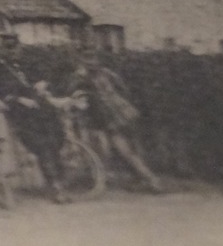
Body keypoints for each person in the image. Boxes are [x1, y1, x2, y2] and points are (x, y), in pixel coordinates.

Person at [0, 32, 68, 202]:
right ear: (2, 49)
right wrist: (19, 99)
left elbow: (42, 77)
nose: (13, 50)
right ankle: (56, 187)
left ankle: (59, 182)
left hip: (41, 107)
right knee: (43, 146)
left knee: (56, 140)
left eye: (15, 46)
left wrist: (42, 83)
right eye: (8, 47)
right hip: (22, 113)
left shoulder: (28, 63)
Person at [70, 51, 164, 193]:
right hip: (124, 110)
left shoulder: (84, 78)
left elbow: (75, 92)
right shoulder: (107, 73)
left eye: (90, 60)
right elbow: (124, 89)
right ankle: (142, 179)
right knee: (129, 148)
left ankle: (152, 180)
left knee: (124, 149)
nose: (90, 63)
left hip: (111, 115)